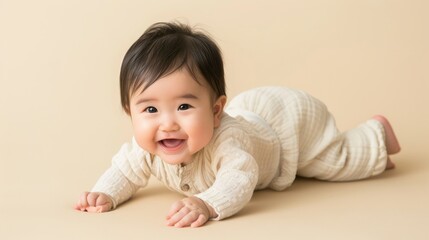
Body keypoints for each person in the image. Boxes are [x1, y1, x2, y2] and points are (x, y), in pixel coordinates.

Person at [74, 22, 401, 228]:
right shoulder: (148, 147)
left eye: (184, 106)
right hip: (252, 112)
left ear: (216, 112)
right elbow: (125, 170)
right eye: (149, 109)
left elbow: (239, 179)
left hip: (288, 126)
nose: (168, 123)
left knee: (331, 161)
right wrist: (105, 193)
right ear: (130, 112)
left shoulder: (227, 142)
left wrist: (206, 202)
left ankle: (375, 137)